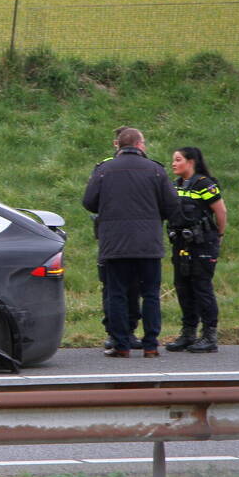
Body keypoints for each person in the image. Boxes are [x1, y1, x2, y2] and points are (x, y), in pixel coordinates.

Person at [82, 127, 179, 358]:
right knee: (151, 294)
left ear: (119, 145)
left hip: (115, 244)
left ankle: (121, 344)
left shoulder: (103, 170)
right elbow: (172, 205)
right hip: (148, 244)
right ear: (139, 145)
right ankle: (151, 344)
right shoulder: (156, 170)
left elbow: (89, 202)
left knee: (116, 293)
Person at [165, 146, 227, 353]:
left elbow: (221, 211)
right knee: (183, 287)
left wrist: (219, 235)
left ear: (190, 162)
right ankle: (189, 333)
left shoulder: (204, 184)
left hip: (202, 244)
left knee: (202, 287)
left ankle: (209, 335)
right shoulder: (176, 185)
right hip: (181, 244)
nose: (174, 163)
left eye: (178, 159)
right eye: (173, 160)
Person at [97, 127, 143, 350]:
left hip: (131, 237)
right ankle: (114, 332)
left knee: (133, 287)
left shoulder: (146, 167)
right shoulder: (104, 167)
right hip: (112, 237)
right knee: (111, 288)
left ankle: (130, 329)